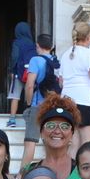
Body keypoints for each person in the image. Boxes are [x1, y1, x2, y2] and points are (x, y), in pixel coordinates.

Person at [24, 98, 89, 179]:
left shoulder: (84, 171)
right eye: (50, 125)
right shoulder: (30, 171)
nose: (57, 131)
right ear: (41, 132)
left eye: (65, 126)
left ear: (72, 134)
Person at [16, 33, 60, 167]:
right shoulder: (56, 61)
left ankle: (22, 174)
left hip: (38, 104)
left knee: (30, 141)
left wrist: (29, 103)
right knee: (52, 141)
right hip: (53, 105)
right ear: (51, 46)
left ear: (37, 46)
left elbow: (30, 85)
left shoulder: (35, 60)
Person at [58, 20, 90, 146]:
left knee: (72, 146)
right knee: (87, 145)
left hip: (67, 102)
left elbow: (61, 82)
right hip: (85, 101)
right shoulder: (88, 54)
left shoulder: (66, 54)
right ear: (89, 37)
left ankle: (72, 167)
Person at [5, 21, 35, 128]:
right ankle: (30, 119)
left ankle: (12, 120)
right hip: (30, 74)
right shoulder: (33, 44)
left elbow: (14, 57)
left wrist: (13, 70)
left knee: (15, 96)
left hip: (19, 73)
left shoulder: (17, 42)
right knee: (29, 96)